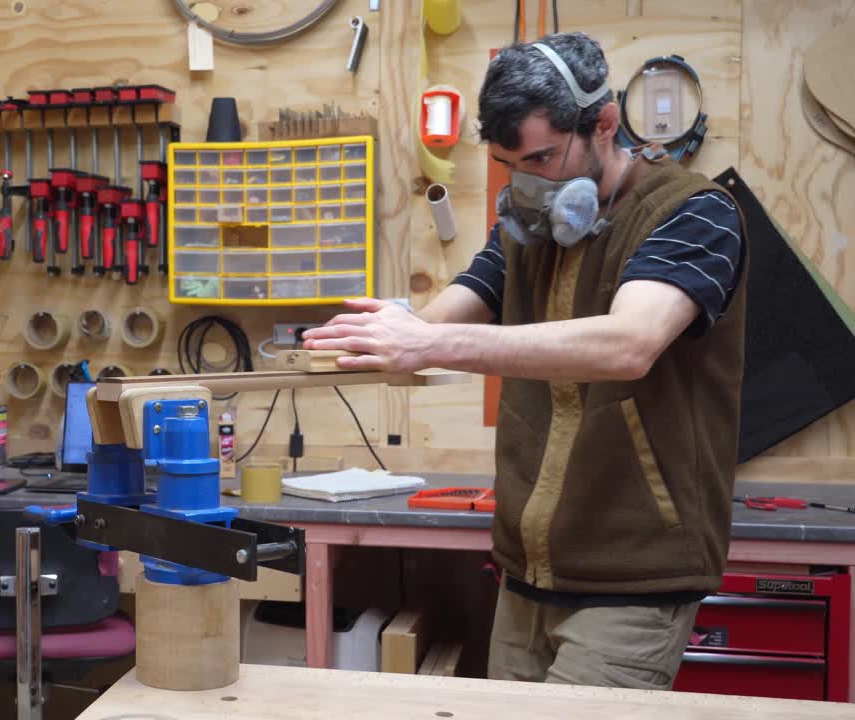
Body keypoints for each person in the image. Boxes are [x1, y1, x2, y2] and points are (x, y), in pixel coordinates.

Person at [302, 32, 747, 690]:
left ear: (603, 124)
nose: (531, 184)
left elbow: (630, 343)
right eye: (513, 164)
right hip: (526, 576)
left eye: (543, 158)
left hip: (632, 581)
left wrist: (429, 345)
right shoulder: (527, 230)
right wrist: (385, 336)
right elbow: (445, 318)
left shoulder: (694, 214)